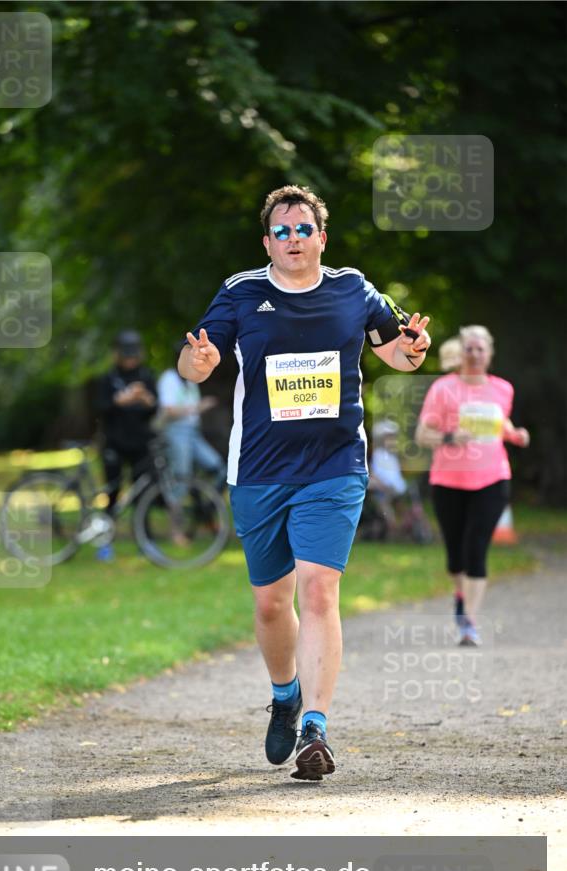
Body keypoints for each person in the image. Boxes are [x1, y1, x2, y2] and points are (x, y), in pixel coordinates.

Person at [178, 185, 431, 780]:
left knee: (319, 589)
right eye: (282, 231)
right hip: (261, 469)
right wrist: (200, 363)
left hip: (334, 465)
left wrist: (414, 348)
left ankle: (316, 728)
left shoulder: (353, 288)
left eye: (303, 229)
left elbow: (397, 352)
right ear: (268, 242)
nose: (293, 239)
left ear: (322, 237)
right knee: (272, 604)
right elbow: (195, 359)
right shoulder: (242, 292)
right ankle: (286, 693)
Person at [415, 325, 530, 646]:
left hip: (492, 478)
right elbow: (423, 435)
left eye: (481, 349)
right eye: (470, 348)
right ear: (461, 352)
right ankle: (460, 593)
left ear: (489, 354)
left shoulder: (503, 389)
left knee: (475, 549)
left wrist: (514, 433)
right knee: (455, 555)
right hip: (448, 480)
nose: (475, 354)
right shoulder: (443, 388)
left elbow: (499, 422)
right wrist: (451, 437)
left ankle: (469, 623)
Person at [94, 329, 157, 560]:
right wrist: (119, 400)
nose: (130, 359)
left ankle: (145, 541)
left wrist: (146, 399)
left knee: (143, 494)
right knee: (112, 494)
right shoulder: (108, 379)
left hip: (140, 443)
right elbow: (100, 408)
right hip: (114, 443)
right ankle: (105, 542)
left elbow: (153, 410)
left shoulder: (146, 376)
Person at [157, 344, 227, 544]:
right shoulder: (169, 379)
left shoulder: (190, 380)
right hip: (176, 433)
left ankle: (206, 513)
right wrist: (198, 406)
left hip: (193, 434)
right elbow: (168, 411)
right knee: (180, 480)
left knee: (219, 469)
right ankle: (175, 531)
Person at [368, 420, 408, 536]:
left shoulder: (391, 457)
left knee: (394, 505)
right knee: (385, 505)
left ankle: (398, 527)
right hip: (384, 490)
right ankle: (393, 527)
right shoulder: (378, 455)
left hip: (394, 491)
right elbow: (375, 474)